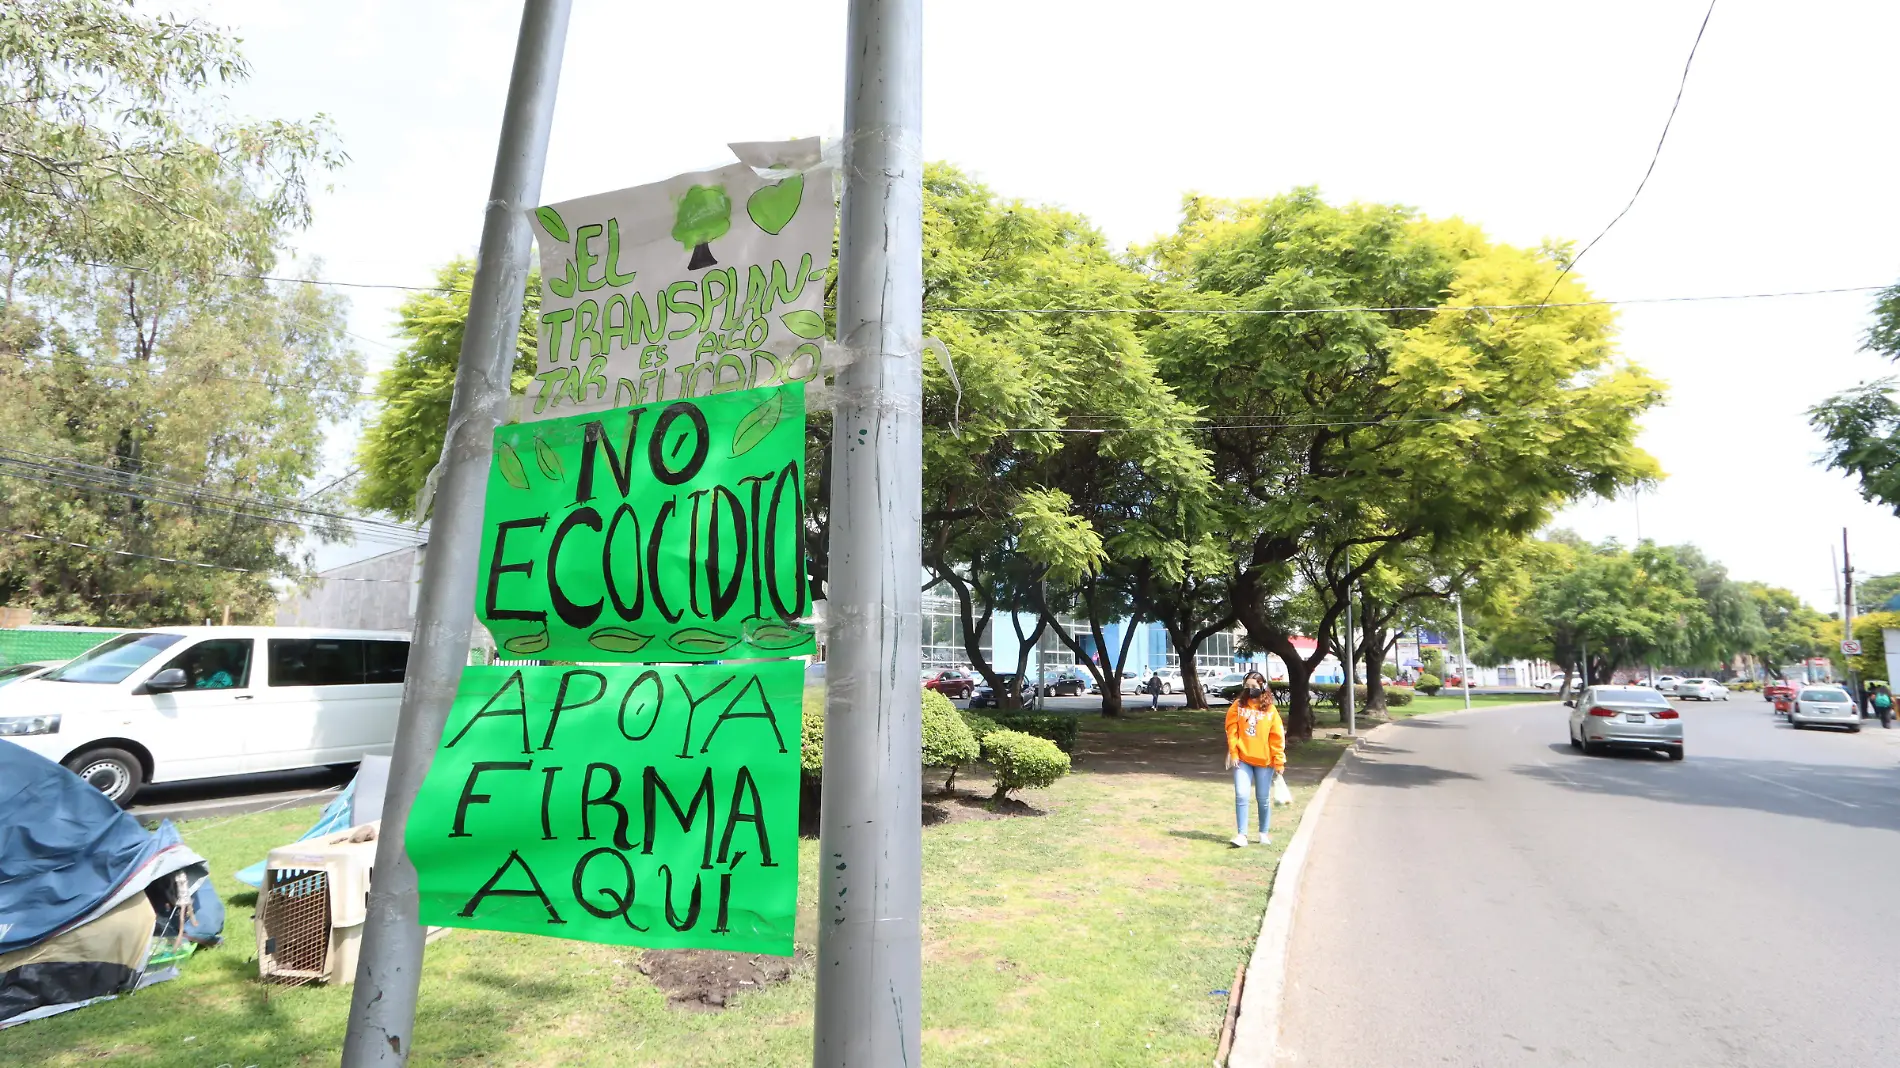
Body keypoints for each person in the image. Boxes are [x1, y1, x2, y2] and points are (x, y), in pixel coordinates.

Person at [1224, 670, 1286, 848]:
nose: (1250, 690)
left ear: (1263, 686)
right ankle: (1241, 835)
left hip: (1264, 762)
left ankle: (1263, 832)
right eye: (1247, 686)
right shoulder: (1238, 706)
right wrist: (1234, 753)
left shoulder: (1270, 710)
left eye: (1254, 686)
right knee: (1241, 795)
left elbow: (1276, 737)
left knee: (1263, 798)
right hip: (1242, 759)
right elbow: (1232, 730)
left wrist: (1279, 761)